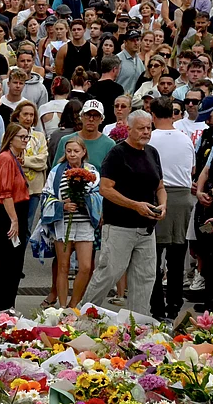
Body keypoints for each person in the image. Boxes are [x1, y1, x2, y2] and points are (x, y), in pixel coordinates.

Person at [84, 111, 166, 315]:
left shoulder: (153, 152)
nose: (146, 132)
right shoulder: (117, 153)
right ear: (129, 129)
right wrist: (134, 205)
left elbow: (160, 187)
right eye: (141, 128)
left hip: (147, 229)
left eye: (148, 128)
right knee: (109, 273)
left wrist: (163, 205)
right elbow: (105, 189)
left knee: (145, 278)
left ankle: (136, 324)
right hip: (119, 226)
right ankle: (82, 315)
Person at [39, 137, 102, 308]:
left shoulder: (92, 171)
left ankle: (73, 304)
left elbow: (99, 194)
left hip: (85, 222)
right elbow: (47, 195)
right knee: (63, 266)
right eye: (69, 151)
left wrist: (85, 201)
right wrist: (62, 205)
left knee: (85, 266)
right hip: (63, 222)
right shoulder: (57, 171)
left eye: (76, 151)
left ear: (83, 152)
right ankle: (62, 306)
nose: (72, 154)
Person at [148, 96, 196, 320]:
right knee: (177, 255)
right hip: (182, 197)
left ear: (153, 115)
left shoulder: (150, 138)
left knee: (154, 255)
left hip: (159, 194)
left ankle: (157, 306)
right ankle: (175, 304)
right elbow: (192, 168)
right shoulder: (185, 139)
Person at [0, 124, 33, 321]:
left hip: (15, 210)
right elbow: (5, 194)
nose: (25, 140)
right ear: (11, 138)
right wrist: (14, 220)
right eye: (22, 137)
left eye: (27, 137)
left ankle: (7, 304)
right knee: (6, 261)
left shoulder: (13, 158)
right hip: (7, 213)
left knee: (14, 262)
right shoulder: (5, 159)